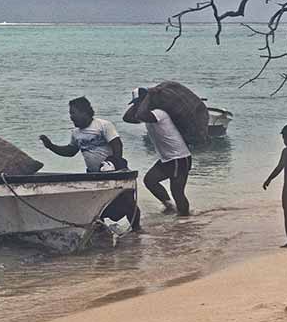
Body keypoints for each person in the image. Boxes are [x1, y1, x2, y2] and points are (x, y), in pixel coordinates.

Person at [39, 97, 139, 230]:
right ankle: (101, 232)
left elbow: (117, 145)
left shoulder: (103, 125)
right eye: (70, 114)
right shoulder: (76, 133)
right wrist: (51, 146)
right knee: (97, 206)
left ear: (84, 112)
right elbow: (70, 151)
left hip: (114, 171)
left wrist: (114, 164)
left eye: (73, 113)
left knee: (128, 203)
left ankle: (137, 230)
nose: (71, 117)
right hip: (93, 175)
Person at [123, 87, 192, 216]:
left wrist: (148, 97)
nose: (138, 106)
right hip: (167, 159)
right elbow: (127, 118)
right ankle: (170, 206)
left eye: (140, 103)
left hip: (179, 158)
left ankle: (185, 219)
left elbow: (141, 115)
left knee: (177, 192)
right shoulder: (147, 115)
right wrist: (137, 103)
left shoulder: (159, 113)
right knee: (150, 181)